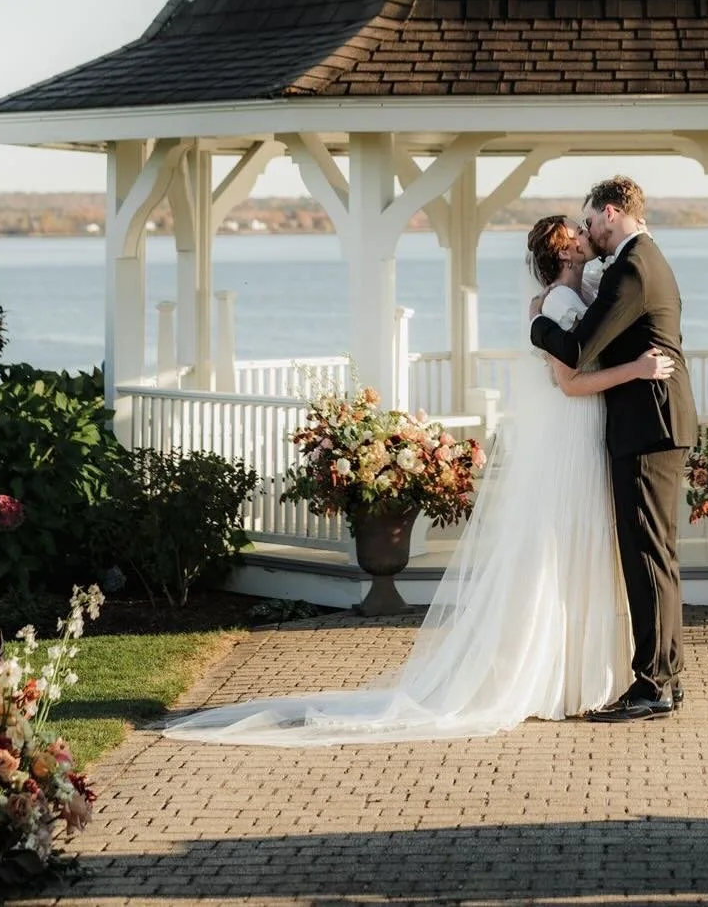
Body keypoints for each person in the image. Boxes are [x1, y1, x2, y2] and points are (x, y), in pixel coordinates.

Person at [164, 216, 672, 744]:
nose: (588, 232)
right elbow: (569, 383)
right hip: (573, 434)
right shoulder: (559, 304)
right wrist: (635, 371)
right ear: (565, 249)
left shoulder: (583, 290)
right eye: (578, 230)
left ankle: (580, 677)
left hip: (589, 436)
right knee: (560, 553)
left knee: (578, 553)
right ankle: (554, 678)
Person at [530, 175, 698, 722]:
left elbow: (577, 351)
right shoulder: (650, 258)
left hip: (647, 425)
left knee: (646, 557)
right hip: (657, 422)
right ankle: (666, 677)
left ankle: (652, 684)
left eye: (592, 221)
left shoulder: (631, 267)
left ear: (610, 212)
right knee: (659, 557)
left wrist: (537, 325)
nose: (590, 232)